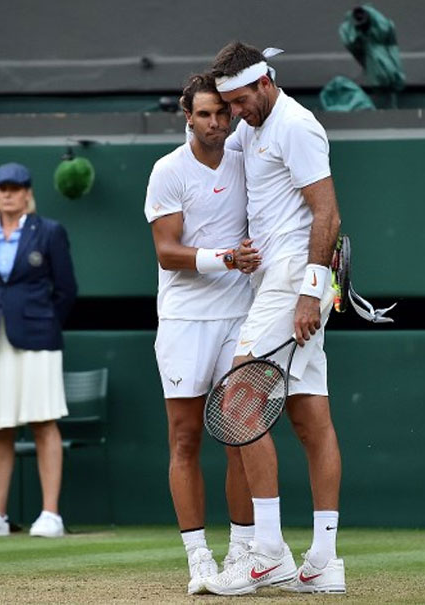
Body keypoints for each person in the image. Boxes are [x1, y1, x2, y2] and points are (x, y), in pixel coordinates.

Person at [203, 42, 347, 595]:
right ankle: (324, 561)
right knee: (311, 419)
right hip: (274, 278)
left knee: (238, 402)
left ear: (265, 83)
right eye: (228, 104)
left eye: (239, 101)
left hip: (294, 280)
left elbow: (326, 211)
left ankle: (268, 551)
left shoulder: (296, 125)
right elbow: (217, 143)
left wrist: (311, 292)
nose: (234, 113)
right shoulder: (253, 124)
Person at [144, 73, 262, 594]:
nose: (216, 123)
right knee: (186, 438)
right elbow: (167, 252)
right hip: (185, 321)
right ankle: (199, 559)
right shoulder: (168, 171)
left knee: (239, 437)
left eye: (223, 113)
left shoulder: (248, 154)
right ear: (186, 115)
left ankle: (241, 555)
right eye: (205, 115)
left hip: (240, 317)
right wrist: (227, 258)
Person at [0, 162, 77, 538]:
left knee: (44, 421)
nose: (8, 193)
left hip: (38, 338)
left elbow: (66, 291)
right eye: (2, 187)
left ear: (28, 192)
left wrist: (42, 321)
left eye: (16, 187)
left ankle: (51, 515)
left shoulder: (49, 232)